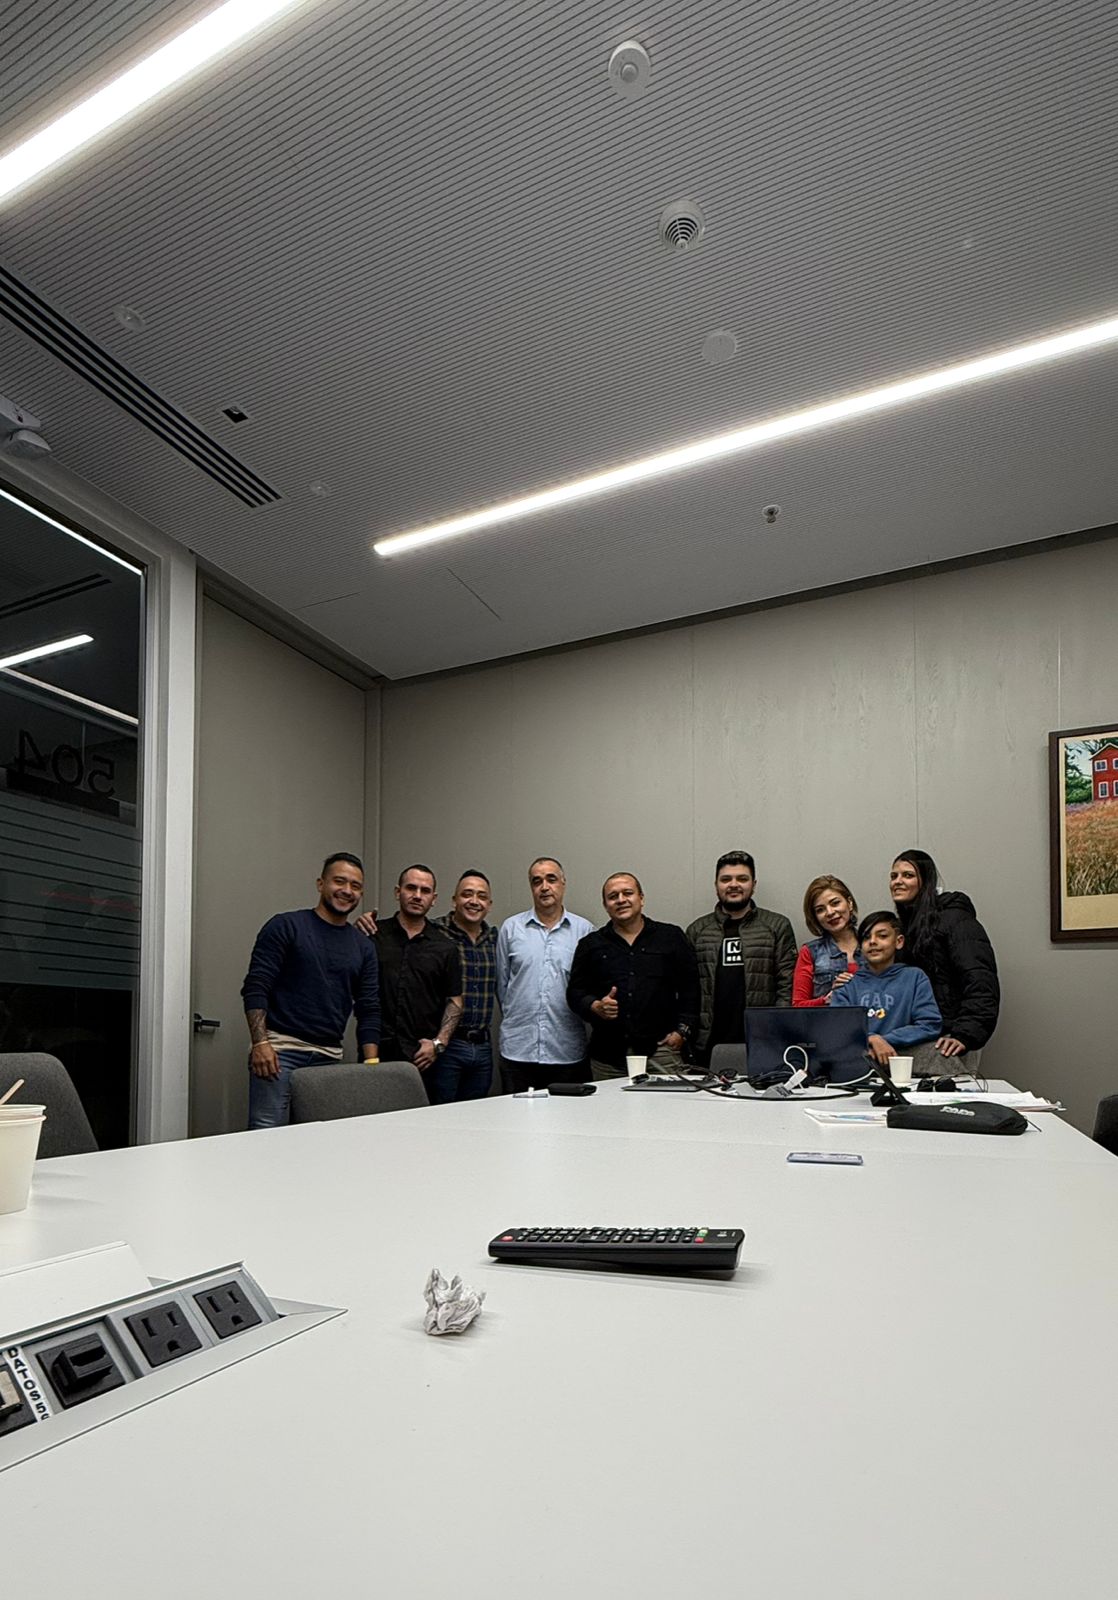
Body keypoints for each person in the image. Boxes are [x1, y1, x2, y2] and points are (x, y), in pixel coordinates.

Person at [241, 852, 380, 1129]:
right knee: (267, 1133)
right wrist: (260, 1044)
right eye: (339, 881)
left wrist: (372, 1064)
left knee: (321, 1141)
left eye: (355, 886)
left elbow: (369, 1008)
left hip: (329, 1058)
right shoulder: (286, 926)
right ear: (321, 884)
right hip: (279, 1052)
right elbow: (256, 986)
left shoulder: (363, 947)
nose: (347, 890)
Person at [567, 873, 700, 1079]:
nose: (621, 900)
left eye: (627, 893)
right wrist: (595, 1006)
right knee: (607, 1101)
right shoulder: (591, 945)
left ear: (641, 898)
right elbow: (575, 992)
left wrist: (682, 1032)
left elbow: (691, 989)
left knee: (670, 1100)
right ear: (605, 905)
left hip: (661, 1050)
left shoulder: (671, 937)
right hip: (608, 1056)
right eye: (613, 896)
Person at [889, 848, 999, 1063]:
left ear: (926, 881)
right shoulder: (903, 929)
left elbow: (979, 980)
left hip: (951, 1038)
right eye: (894, 876)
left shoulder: (955, 920)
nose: (898, 882)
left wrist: (965, 1034)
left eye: (908, 875)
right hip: (917, 1036)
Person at [686, 851, 797, 1063]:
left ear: (753, 885)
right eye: (726, 879)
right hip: (707, 1043)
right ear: (716, 885)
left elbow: (787, 984)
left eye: (742, 879)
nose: (734, 885)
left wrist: (776, 1028)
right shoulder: (697, 930)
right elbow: (687, 989)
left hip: (762, 1040)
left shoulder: (776, 926)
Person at [496, 857, 593, 1092]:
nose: (544, 887)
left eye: (551, 879)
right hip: (518, 1050)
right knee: (515, 1114)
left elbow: (587, 989)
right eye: (537, 881)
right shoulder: (511, 928)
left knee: (567, 1115)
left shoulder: (584, 931)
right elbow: (503, 986)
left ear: (563, 883)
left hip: (566, 1050)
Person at [370, 864, 464, 1085]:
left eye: (425, 891)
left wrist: (438, 1043)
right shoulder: (374, 935)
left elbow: (455, 1001)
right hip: (375, 1052)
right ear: (398, 892)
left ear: (433, 899)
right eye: (411, 888)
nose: (417, 896)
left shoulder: (445, 947)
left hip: (422, 1058)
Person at [829, 910, 941, 1067]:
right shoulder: (847, 984)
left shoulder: (915, 977)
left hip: (904, 1063)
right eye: (866, 938)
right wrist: (870, 1038)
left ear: (899, 941)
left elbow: (929, 1024)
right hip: (859, 1064)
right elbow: (838, 1029)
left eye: (882, 936)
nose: (872, 942)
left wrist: (884, 1040)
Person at [430, 870, 498, 1103]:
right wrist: (367, 921)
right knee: (440, 1113)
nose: (474, 901)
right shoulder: (434, 932)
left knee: (476, 1115)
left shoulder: (495, 938)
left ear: (489, 905)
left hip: (482, 1046)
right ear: (454, 900)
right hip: (446, 1046)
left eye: (481, 896)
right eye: (467, 894)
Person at [793, 874, 860, 1006]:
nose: (830, 912)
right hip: (827, 1019)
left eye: (835, 903)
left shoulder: (873, 945)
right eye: (820, 910)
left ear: (850, 903)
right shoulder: (810, 952)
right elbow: (798, 1005)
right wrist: (826, 999)